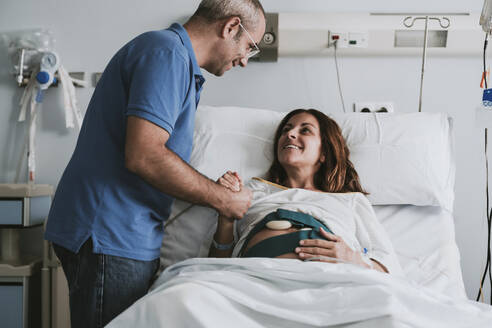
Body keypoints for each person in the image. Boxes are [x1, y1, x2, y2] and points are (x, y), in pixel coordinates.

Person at [44, 1, 266, 327]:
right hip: (110, 234)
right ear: (231, 27)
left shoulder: (176, 62)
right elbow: (145, 155)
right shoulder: (167, 55)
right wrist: (223, 199)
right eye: (249, 46)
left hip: (120, 235)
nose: (246, 60)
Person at [210, 109, 402, 275]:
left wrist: (354, 259)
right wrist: (225, 213)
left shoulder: (351, 201)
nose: (290, 134)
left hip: (331, 280)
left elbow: (390, 270)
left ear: (324, 153)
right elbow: (217, 266)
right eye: (286, 130)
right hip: (254, 278)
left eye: (305, 130)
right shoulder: (251, 191)